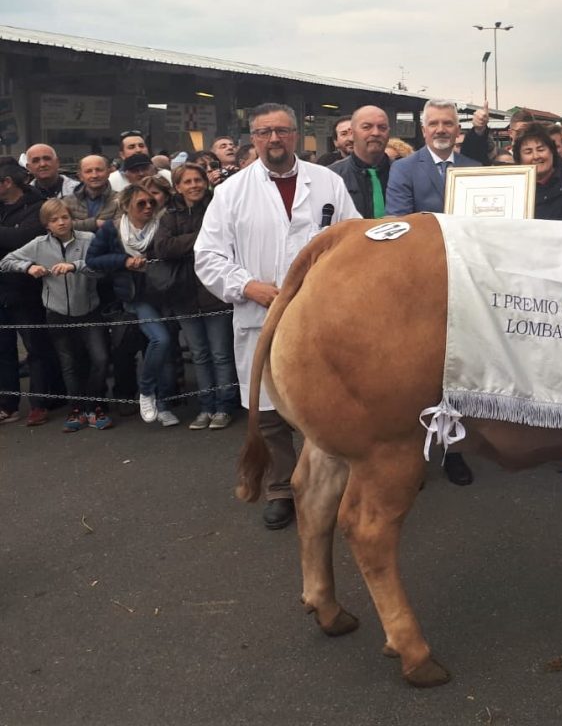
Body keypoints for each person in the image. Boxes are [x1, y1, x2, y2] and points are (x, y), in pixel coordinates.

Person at [195, 103, 362, 529]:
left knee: (322, 406)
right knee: (268, 415)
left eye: (283, 132)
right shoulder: (230, 193)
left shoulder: (327, 183)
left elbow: (353, 240)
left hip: (318, 316)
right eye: (265, 132)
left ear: (296, 136)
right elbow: (208, 256)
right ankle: (282, 487)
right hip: (259, 314)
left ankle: (325, 484)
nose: (274, 140)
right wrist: (246, 285)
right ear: (253, 138)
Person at [0, 198, 111, 431]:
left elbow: (101, 269)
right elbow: (7, 261)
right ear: (46, 225)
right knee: (68, 364)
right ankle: (78, 409)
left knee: (99, 359)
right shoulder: (39, 244)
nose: (61, 223)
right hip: (57, 313)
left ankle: (96, 405)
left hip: (89, 311)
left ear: (72, 219)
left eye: (65, 217)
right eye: (54, 220)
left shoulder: (88, 240)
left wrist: (76, 266)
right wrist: (28, 267)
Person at [153, 164, 238, 431]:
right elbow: (164, 248)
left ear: (206, 182)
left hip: (215, 293)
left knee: (221, 354)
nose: (193, 185)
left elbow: (227, 241)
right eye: (187, 181)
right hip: (183, 294)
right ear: (177, 187)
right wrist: (202, 238)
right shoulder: (169, 215)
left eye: (198, 180)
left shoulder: (218, 207)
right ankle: (206, 406)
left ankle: (224, 405)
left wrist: (186, 243)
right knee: (200, 355)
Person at [88, 184, 179, 426]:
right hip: (136, 296)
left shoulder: (163, 225)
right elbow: (92, 259)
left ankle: (164, 406)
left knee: (166, 354)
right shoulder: (112, 229)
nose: (148, 207)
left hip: (165, 292)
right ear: (126, 206)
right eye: (141, 203)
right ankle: (146, 390)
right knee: (161, 340)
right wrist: (124, 260)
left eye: (151, 202)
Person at [0, 160, 63, 426]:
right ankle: (7, 404)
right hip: (1, 290)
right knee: (2, 350)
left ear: (7, 183)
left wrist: (10, 236)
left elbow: (23, 241)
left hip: (27, 289)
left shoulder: (37, 206)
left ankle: (40, 402)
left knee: (36, 348)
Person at [385, 100, 482, 217]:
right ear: (424, 131)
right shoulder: (403, 169)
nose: (440, 130)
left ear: (458, 130)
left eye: (448, 124)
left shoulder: (475, 169)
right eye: (433, 124)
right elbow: (399, 219)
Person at [331, 105, 394, 219]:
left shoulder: (405, 174)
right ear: (353, 133)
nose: (376, 133)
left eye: (382, 127)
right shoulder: (332, 176)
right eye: (367, 127)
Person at [67, 154, 119, 232]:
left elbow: (120, 228)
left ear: (108, 173)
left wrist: (78, 224)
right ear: (80, 176)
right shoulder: (67, 202)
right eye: (88, 171)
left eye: (99, 170)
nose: (94, 175)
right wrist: (96, 223)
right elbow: (62, 227)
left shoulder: (122, 200)